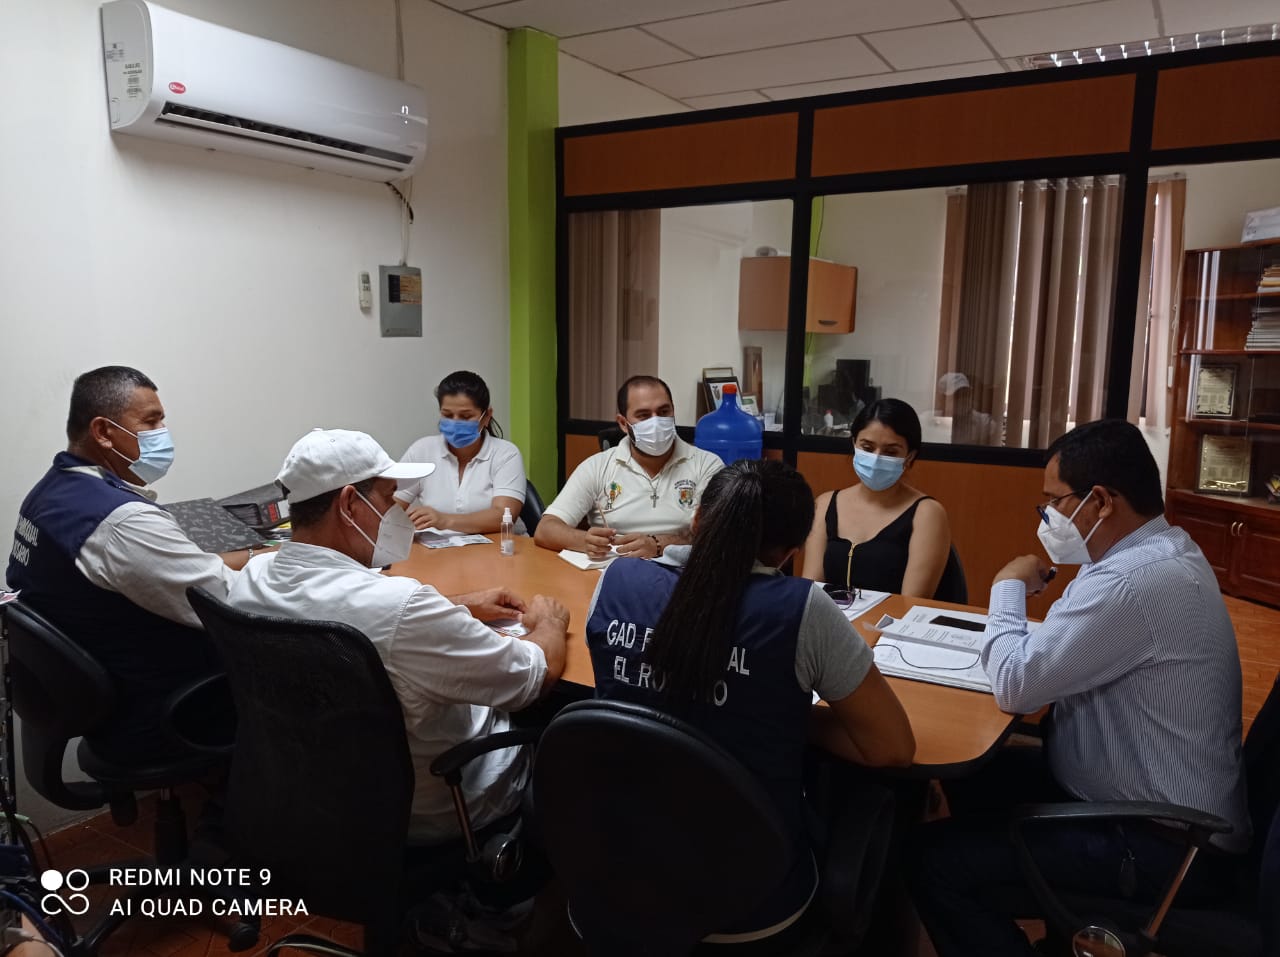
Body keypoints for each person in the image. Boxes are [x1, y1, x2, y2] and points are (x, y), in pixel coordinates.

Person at [912, 419, 1250, 957]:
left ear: (1101, 501)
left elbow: (1017, 685)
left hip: (1165, 844)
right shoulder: (1158, 550)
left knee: (934, 864)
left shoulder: (1131, 581)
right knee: (975, 775)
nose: (1048, 515)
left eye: (1055, 501)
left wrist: (1006, 585)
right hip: (1142, 805)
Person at [586, 459, 915, 943]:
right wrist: (774, 710)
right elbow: (891, 747)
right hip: (752, 898)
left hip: (622, 872)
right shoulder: (803, 610)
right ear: (790, 552)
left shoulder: (617, 580)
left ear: (696, 519)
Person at [227, 428, 570, 846]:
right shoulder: (401, 607)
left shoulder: (255, 577)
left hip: (316, 792)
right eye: (389, 497)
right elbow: (532, 677)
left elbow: (364, 614)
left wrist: (457, 605)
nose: (397, 511)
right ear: (349, 504)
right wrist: (549, 622)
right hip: (435, 804)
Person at [5, 366, 254, 765]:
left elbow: (168, 571)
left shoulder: (52, 493)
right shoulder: (122, 522)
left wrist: (257, 554)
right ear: (103, 432)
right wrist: (300, 560)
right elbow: (230, 601)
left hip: (108, 696)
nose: (162, 433)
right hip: (165, 713)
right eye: (151, 421)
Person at [535, 375, 723, 560]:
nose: (656, 422)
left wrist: (658, 545)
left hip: (681, 571)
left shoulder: (707, 465)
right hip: (612, 569)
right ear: (624, 424)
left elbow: (719, 535)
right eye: (644, 415)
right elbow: (546, 529)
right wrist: (585, 541)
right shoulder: (597, 467)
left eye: (664, 412)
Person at [802, 398, 963, 601]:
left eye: (891, 452)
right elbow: (811, 590)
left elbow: (911, 603)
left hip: (892, 620)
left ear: (910, 456)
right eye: (867, 448)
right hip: (832, 619)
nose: (876, 458)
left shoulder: (927, 513)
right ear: (854, 443)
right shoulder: (825, 504)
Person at [400, 370, 526, 534]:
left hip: (498, 546)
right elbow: (388, 506)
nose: (455, 422)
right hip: (438, 547)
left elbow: (503, 516)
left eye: (466, 416)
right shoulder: (421, 451)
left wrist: (444, 520)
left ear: (486, 416)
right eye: (447, 415)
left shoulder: (506, 454)